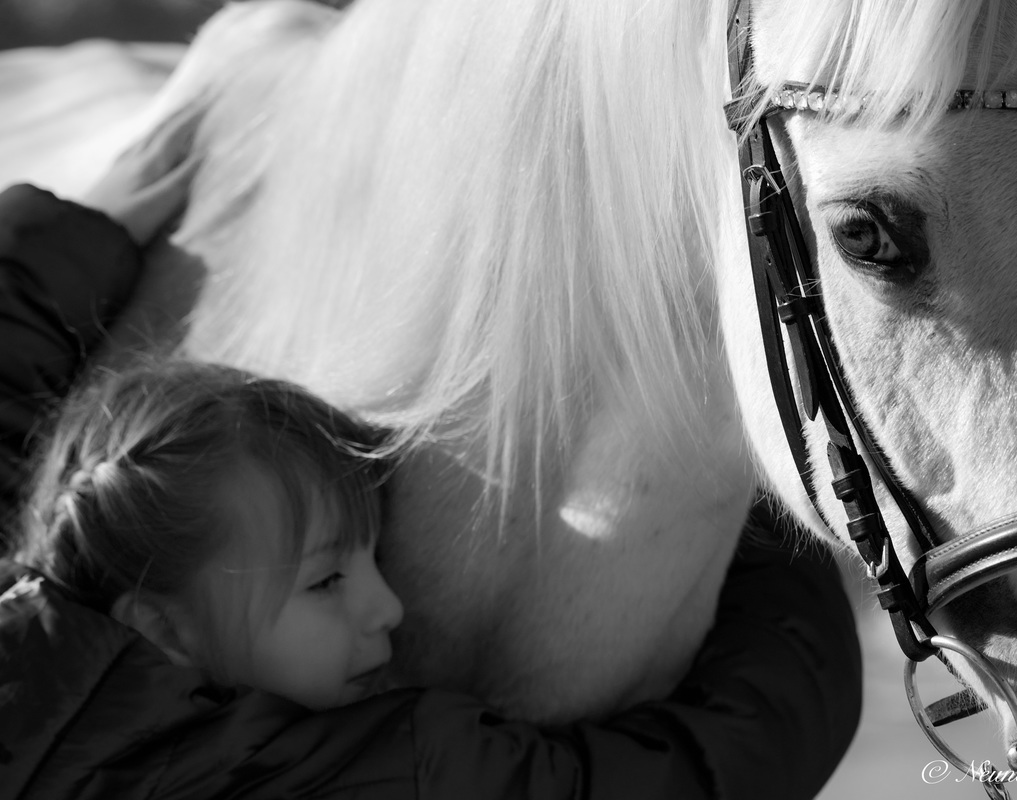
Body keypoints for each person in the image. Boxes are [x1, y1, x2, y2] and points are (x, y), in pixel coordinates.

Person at [0, 105, 862, 800]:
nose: (387, 607)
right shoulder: (377, 774)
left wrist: (61, 245)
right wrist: (755, 503)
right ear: (160, 627)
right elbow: (716, 768)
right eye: (326, 579)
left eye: (371, 558)